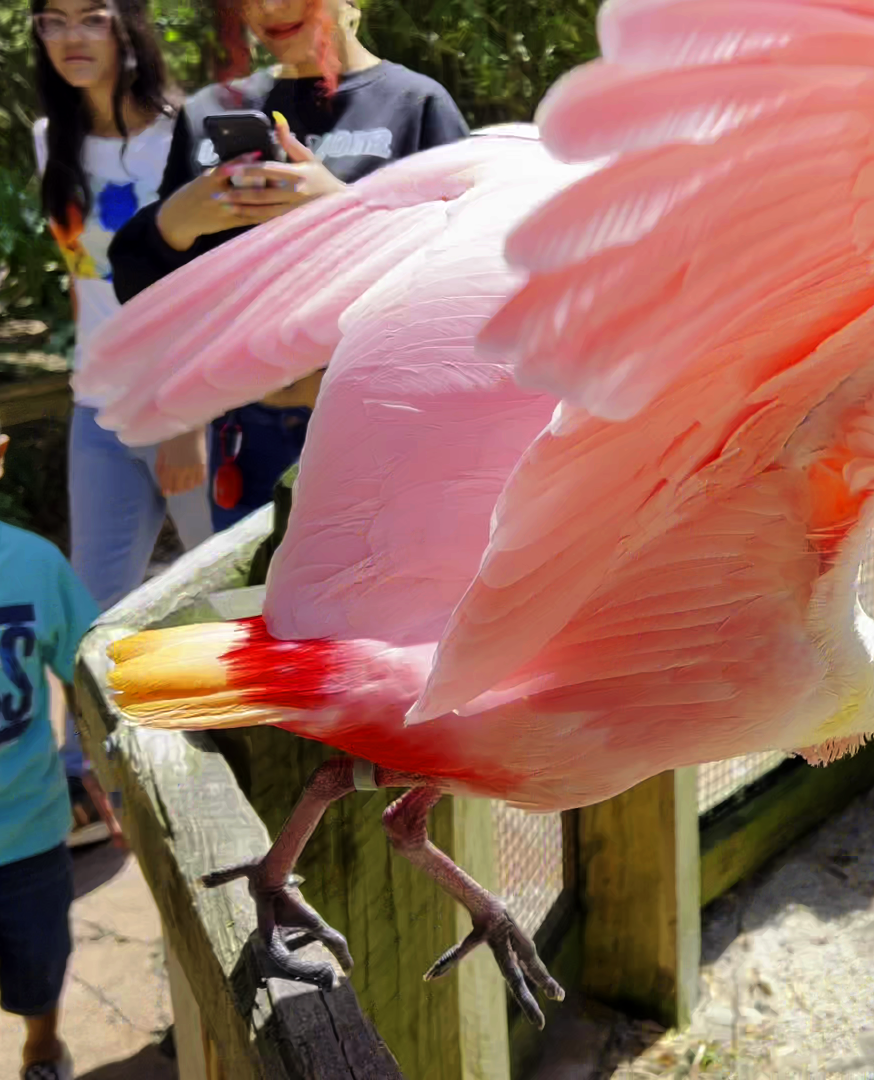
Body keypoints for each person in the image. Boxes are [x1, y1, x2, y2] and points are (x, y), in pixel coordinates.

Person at [110, 0, 471, 531]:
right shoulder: (213, 111)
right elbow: (146, 291)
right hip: (247, 434)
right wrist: (175, 224)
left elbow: (467, 273)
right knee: (252, 607)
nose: (271, 8)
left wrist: (344, 208)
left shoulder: (416, 104)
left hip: (377, 427)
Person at [31, 0, 215, 615]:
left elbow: (213, 282)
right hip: (101, 408)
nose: (70, 36)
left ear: (128, 23)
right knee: (95, 615)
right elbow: (85, 281)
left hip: (193, 406)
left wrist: (190, 415)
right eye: (52, 20)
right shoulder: (49, 140)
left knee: (235, 599)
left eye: (91, 17)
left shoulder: (189, 131)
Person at [0, 420, 101, 1080]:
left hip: (29, 833)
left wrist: (103, 775)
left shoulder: (36, 563)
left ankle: (43, 1047)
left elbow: (89, 676)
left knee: (39, 965)